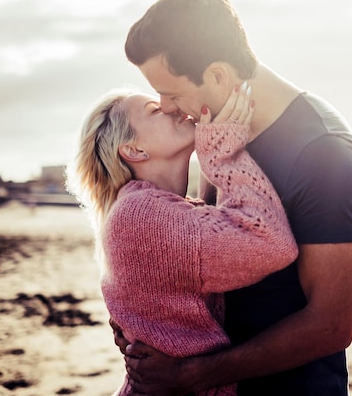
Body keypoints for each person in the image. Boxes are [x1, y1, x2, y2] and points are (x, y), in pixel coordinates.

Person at [120, 0, 352, 396]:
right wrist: (139, 325)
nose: (165, 106)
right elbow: (206, 249)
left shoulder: (324, 154)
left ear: (218, 75)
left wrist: (190, 375)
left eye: (172, 93)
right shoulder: (217, 130)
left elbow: (331, 324)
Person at [66, 84, 299, 396]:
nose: (172, 106)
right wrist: (223, 153)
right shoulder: (144, 214)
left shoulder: (149, 209)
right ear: (134, 150)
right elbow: (273, 244)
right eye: (154, 110)